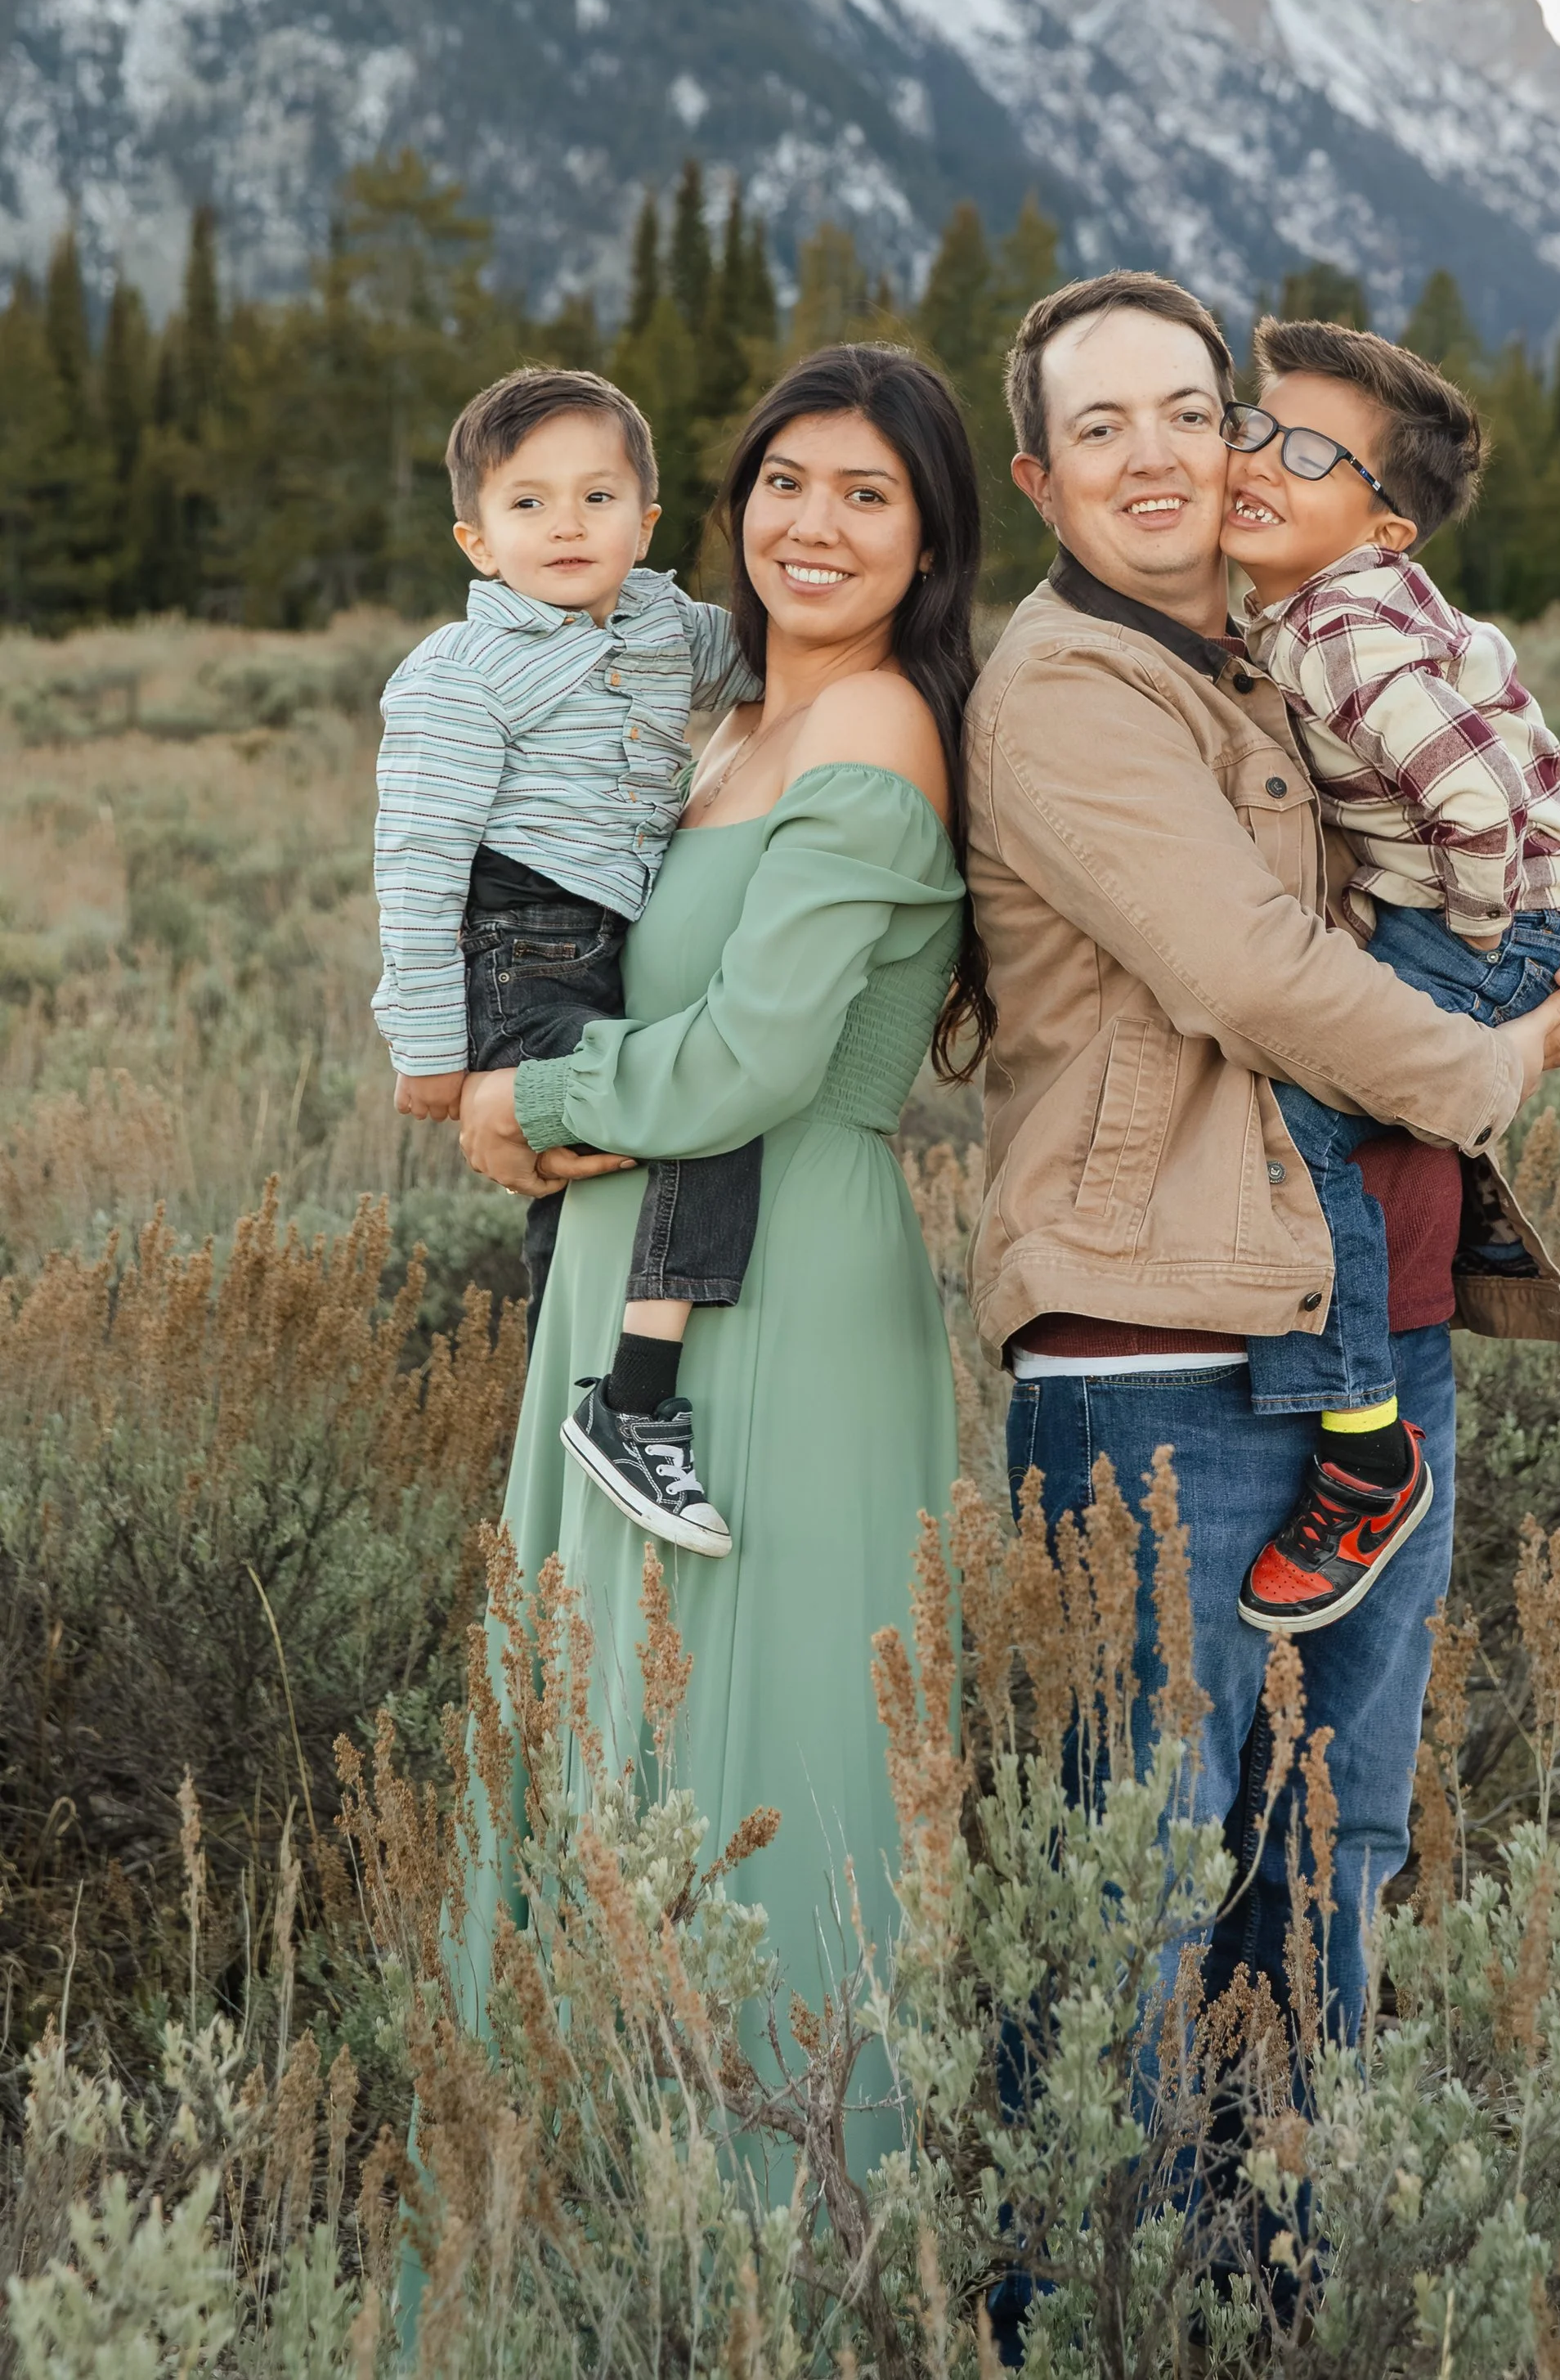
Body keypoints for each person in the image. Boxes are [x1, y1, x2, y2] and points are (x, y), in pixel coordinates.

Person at [964, 268, 1560, 2044]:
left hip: (1378, 1340)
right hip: (1163, 1352)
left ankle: (1281, 2222)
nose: (1156, 456)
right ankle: (1105, 2230)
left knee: (1331, 1850)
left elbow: (1467, 829)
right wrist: (1505, 1059)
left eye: (1192, 415)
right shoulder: (1068, 689)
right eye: (1098, 426)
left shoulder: (1295, 645)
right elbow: (1251, 976)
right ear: (1039, 478)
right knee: (1136, 1867)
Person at [453, 343, 986, 2129]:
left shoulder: (877, 729)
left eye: (866, 494)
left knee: (744, 1734)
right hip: (645, 1261)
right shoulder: (732, 720)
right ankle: (599, 2188)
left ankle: (774, 2196)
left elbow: (758, 1056)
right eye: (783, 481)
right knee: (619, 1722)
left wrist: (528, 1100)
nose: (812, 524)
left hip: (780, 1283)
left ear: (930, 538)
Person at [1222, 313, 1560, 1638]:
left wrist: (1472, 948)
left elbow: (1473, 801)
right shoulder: (1319, 605)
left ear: (1386, 529)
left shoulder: (1340, 629)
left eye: (1310, 453)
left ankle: (1363, 1446)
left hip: (1486, 921)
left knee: (1301, 1123)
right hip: (1506, 910)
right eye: (1256, 425)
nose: (1257, 459)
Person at [372, 365, 761, 1551]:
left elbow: (778, 664)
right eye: (528, 503)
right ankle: (628, 1402)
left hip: (619, 946)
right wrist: (432, 1053)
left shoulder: (663, 626)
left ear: (644, 523)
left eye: (598, 497)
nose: (566, 525)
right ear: (477, 540)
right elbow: (419, 866)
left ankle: (571, 1399)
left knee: (597, 1190)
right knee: (692, 1104)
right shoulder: (462, 673)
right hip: (521, 952)